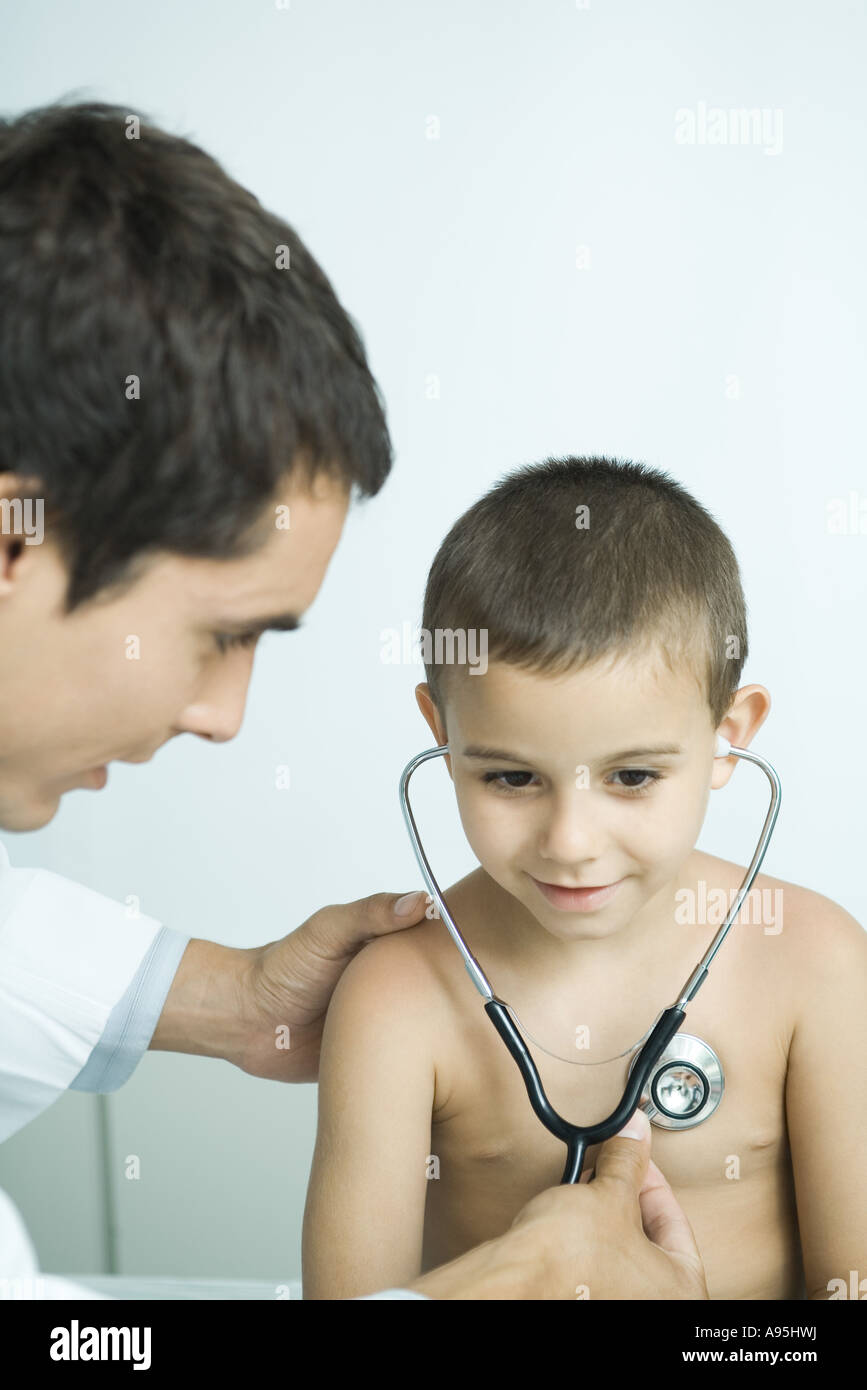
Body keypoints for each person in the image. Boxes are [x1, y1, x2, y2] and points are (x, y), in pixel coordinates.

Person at [0, 99, 706, 1301]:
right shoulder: (403, 1006)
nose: (226, 716)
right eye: (223, 634)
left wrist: (226, 997)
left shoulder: (816, 962)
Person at [301, 456, 867, 1300]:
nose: (569, 843)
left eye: (631, 777)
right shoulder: (396, 997)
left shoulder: (813, 961)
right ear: (441, 730)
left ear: (728, 736)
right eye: (511, 778)